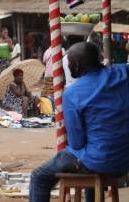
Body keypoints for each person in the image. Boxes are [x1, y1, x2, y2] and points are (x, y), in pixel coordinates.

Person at [29, 42, 129, 202]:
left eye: (68, 62)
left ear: (76, 65)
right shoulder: (123, 74)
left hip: (97, 161)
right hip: (123, 160)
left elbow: (76, 143)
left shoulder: (72, 94)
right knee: (88, 156)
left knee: (39, 177)